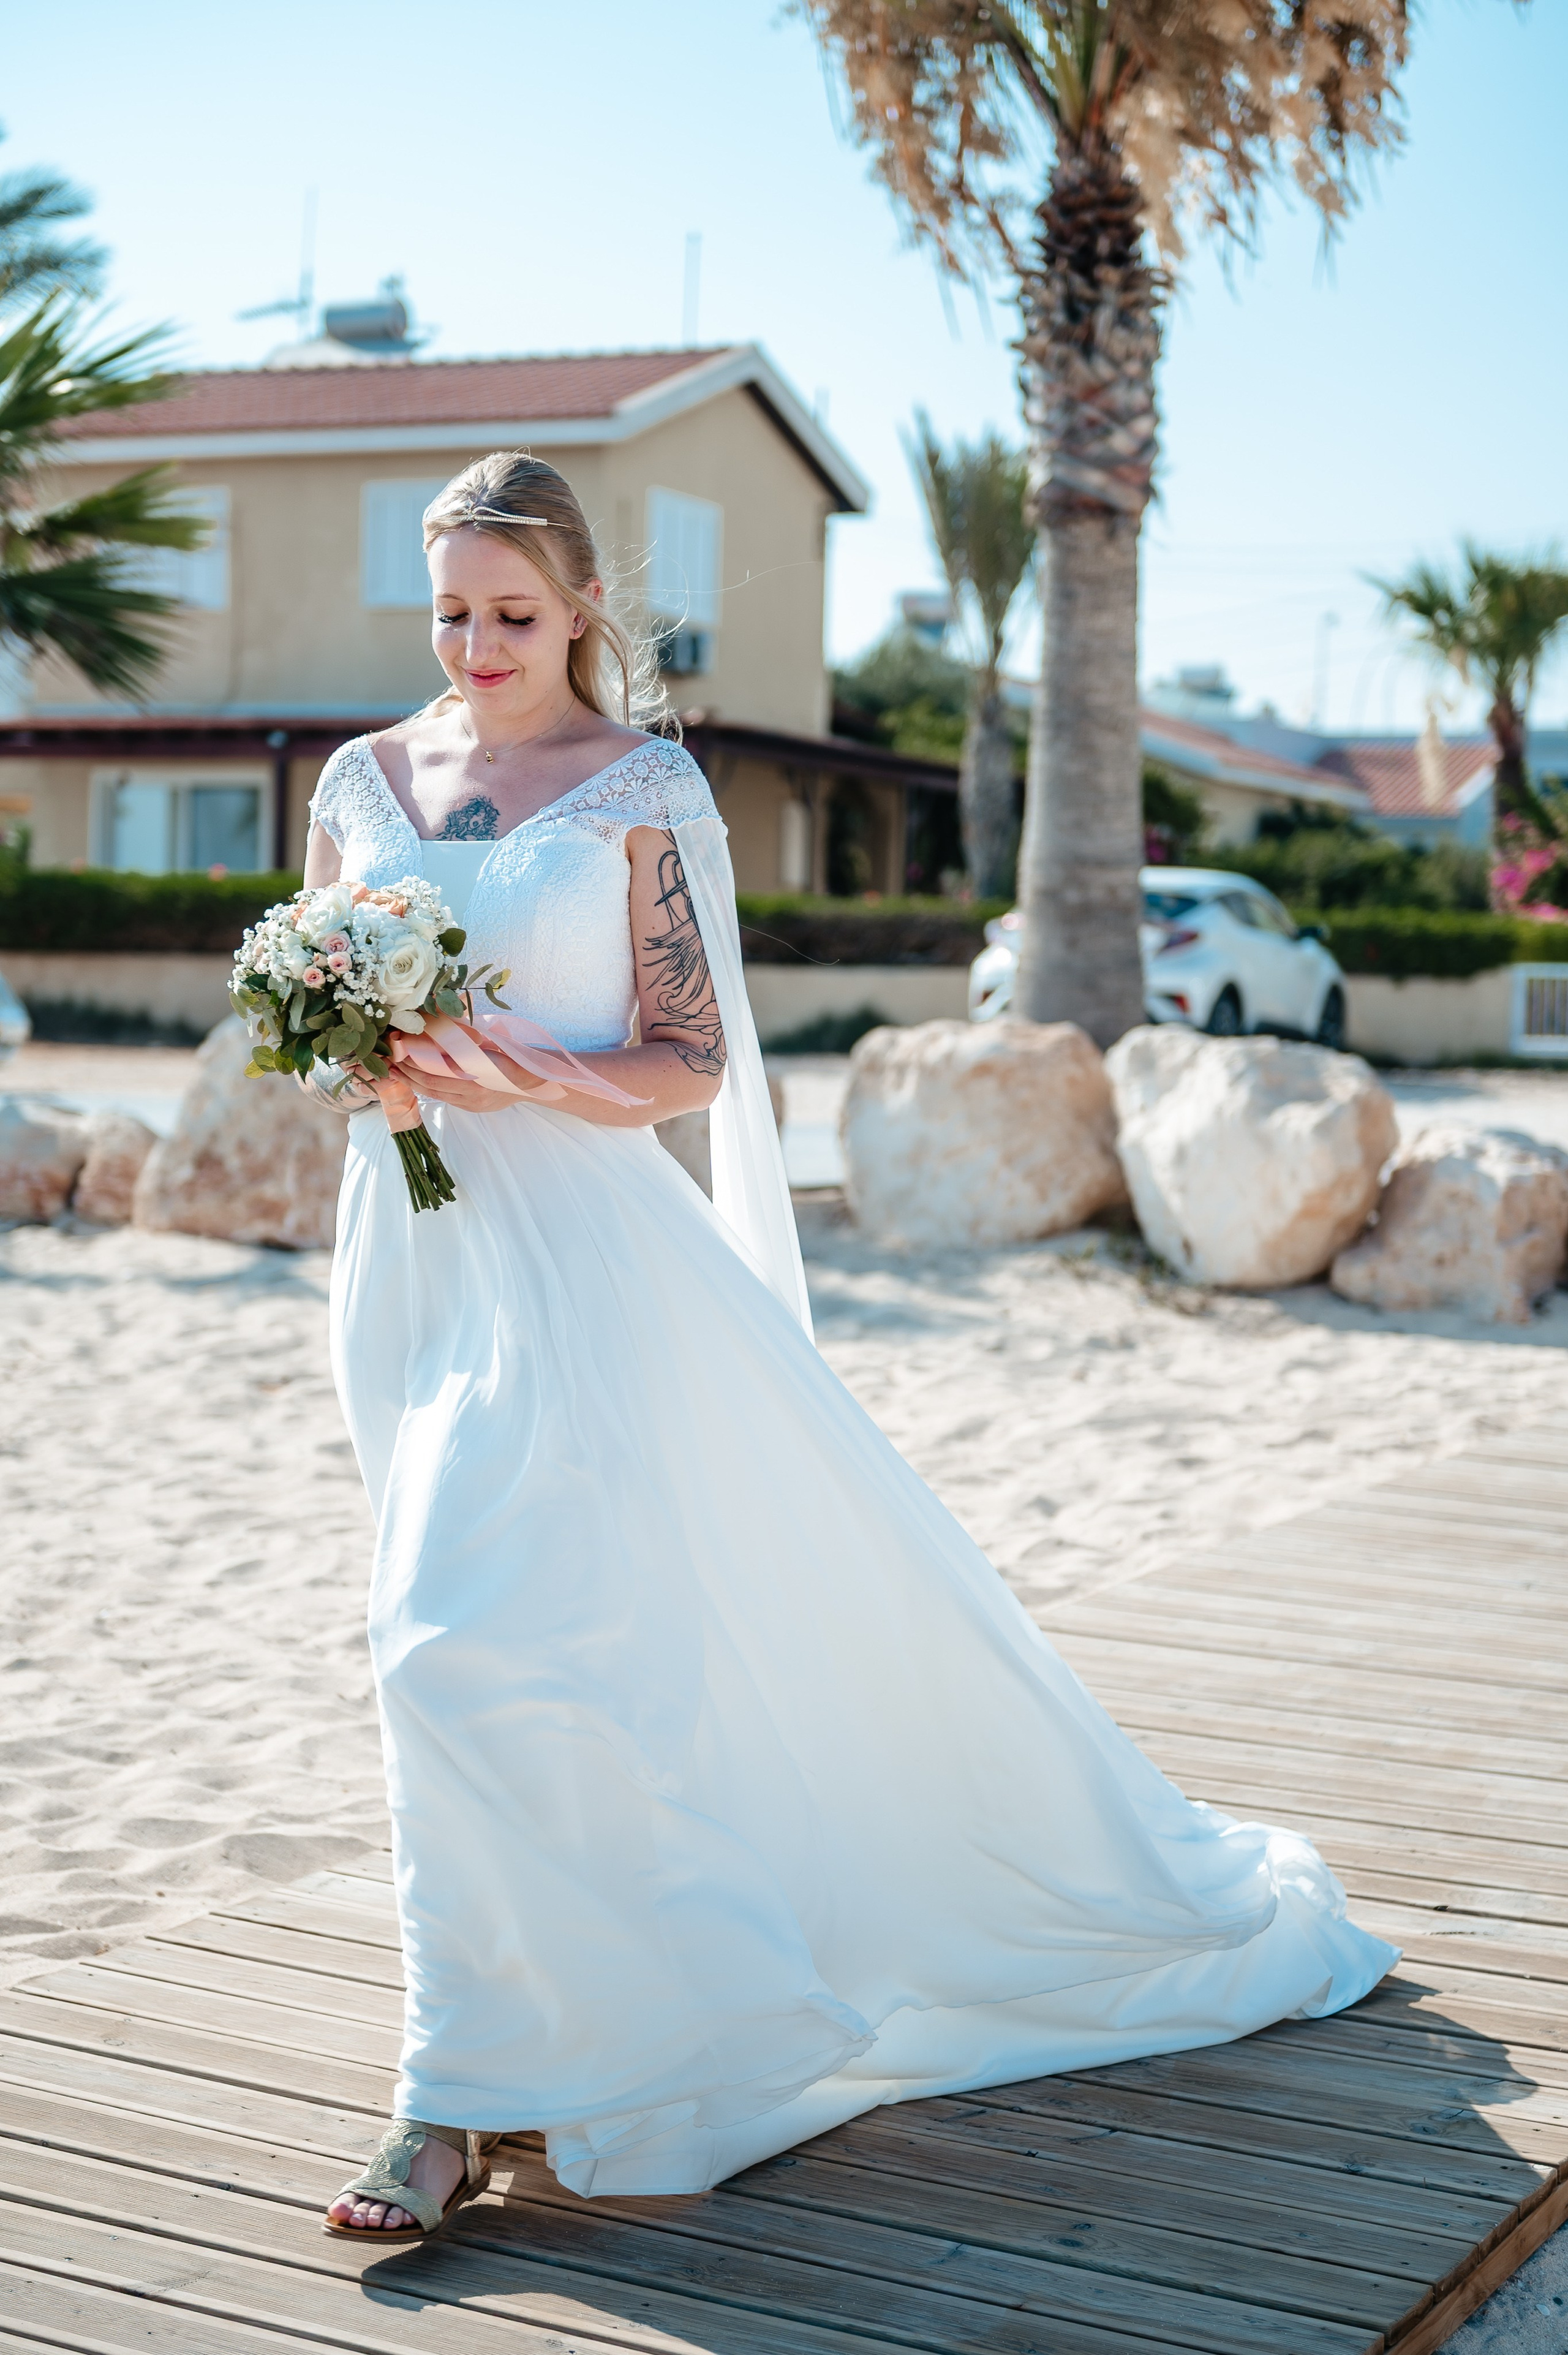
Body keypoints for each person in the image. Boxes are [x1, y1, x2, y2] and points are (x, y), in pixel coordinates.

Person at [310, 450, 1395, 2240]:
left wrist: (512, 1066)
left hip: (592, 1269)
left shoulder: (642, 788)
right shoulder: (364, 780)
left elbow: (686, 1056)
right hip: (413, 1255)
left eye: (513, 610)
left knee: (448, 1635)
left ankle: (444, 2094)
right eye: (450, 609)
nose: (478, 641)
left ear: (583, 606)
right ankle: (562, 2021)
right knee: (511, 1644)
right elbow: (325, 1005)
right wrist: (359, 1049)